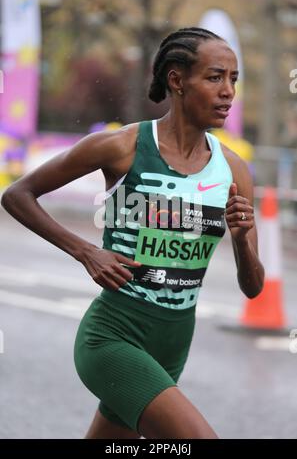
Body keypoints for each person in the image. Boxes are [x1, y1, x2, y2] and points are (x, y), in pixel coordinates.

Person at [1, 27, 264, 439]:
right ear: (177, 80)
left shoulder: (234, 171)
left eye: (233, 79)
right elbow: (18, 194)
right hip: (113, 335)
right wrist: (87, 252)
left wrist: (242, 238)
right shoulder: (122, 147)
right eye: (215, 77)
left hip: (174, 343)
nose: (228, 91)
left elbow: (253, 288)